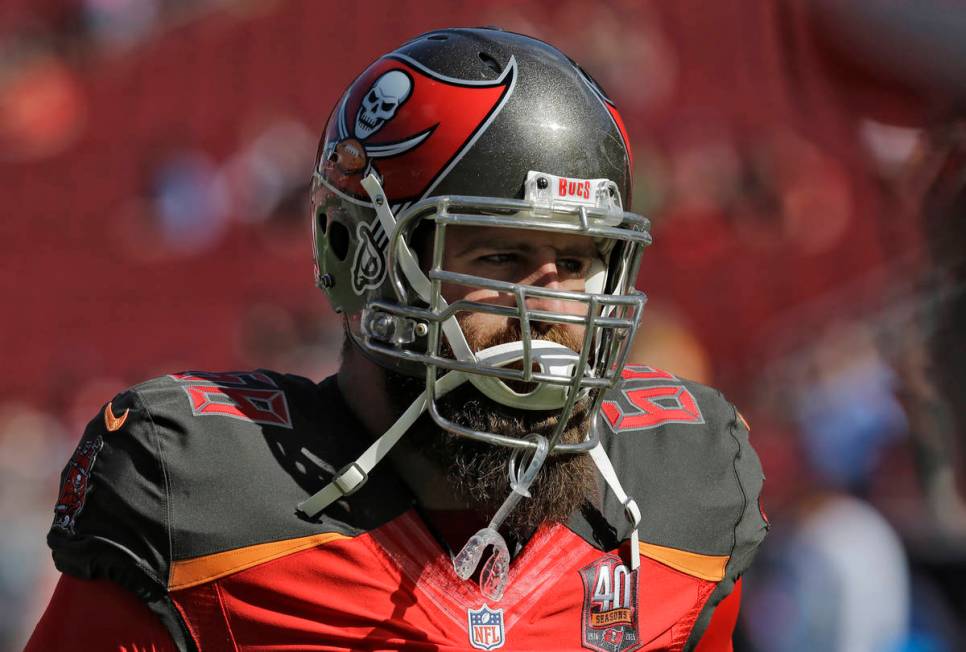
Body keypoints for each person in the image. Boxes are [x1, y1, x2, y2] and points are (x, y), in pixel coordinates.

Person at [27, 28, 766, 651]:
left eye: (574, 265)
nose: (545, 310)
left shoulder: (680, 497)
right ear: (360, 257)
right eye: (500, 258)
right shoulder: (202, 500)